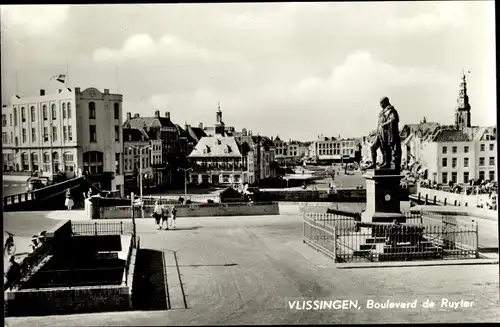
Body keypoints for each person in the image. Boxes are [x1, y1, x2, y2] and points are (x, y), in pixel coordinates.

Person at [367, 97, 401, 172]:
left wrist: (384, 124)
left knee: (385, 147)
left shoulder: (391, 110)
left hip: (386, 133)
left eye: (381, 102)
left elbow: (394, 119)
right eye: (380, 103)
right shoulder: (382, 112)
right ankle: (374, 164)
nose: (380, 104)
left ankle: (387, 162)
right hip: (379, 132)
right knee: (373, 147)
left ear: (386, 102)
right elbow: (379, 124)